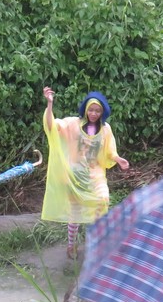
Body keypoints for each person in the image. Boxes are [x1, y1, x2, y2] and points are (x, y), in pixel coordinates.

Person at [40, 87, 130, 260]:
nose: (93, 114)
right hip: (75, 175)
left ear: (102, 112)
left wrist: (118, 159)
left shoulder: (106, 129)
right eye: (91, 109)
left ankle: (96, 244)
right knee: (75, 211)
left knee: (102, 201)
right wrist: (49, 104)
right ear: (85, 109)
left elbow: (110, 151)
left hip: (95, 175)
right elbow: (51, 126)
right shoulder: (73, 124)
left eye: (97, 111)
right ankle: (71, 244)